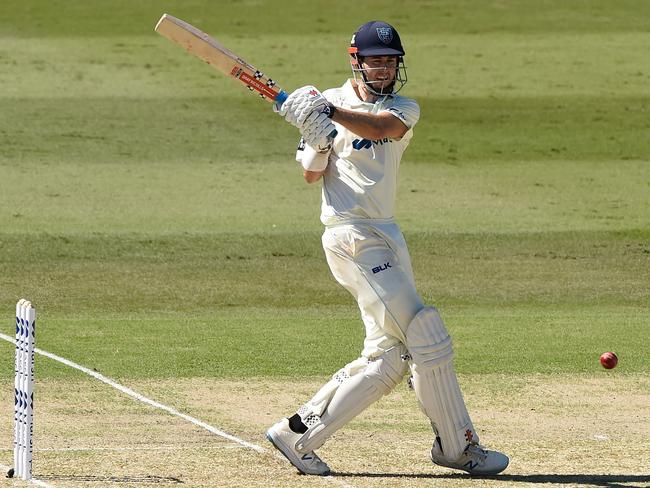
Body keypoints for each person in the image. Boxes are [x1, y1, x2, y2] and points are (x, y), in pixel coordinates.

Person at [265, 20, 509, 477]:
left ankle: (296, 432)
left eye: (390, 62)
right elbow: (312, 174)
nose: (384, 70)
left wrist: (328, 118)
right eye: (375, 61)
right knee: (426, 335)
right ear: (356, 61)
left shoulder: (400, 107)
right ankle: (459, 447)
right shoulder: (326, 104)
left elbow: (383, 128)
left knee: (389, 355)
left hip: (387, 235)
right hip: (350, 234)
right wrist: (318, 141)